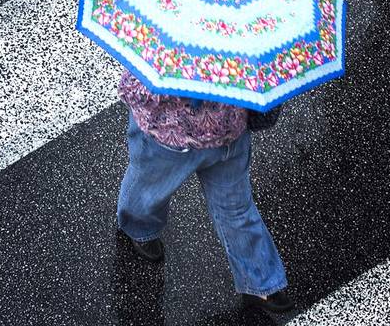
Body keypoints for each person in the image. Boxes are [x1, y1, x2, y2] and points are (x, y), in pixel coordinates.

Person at [114, 70, 294, 316]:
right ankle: (260, 280)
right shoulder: (245, 47)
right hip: (229, 132)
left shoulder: (170, 50)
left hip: (168, 136)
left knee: (147, 189)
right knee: (236, 210)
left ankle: (140, 228)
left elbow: (136, 89)